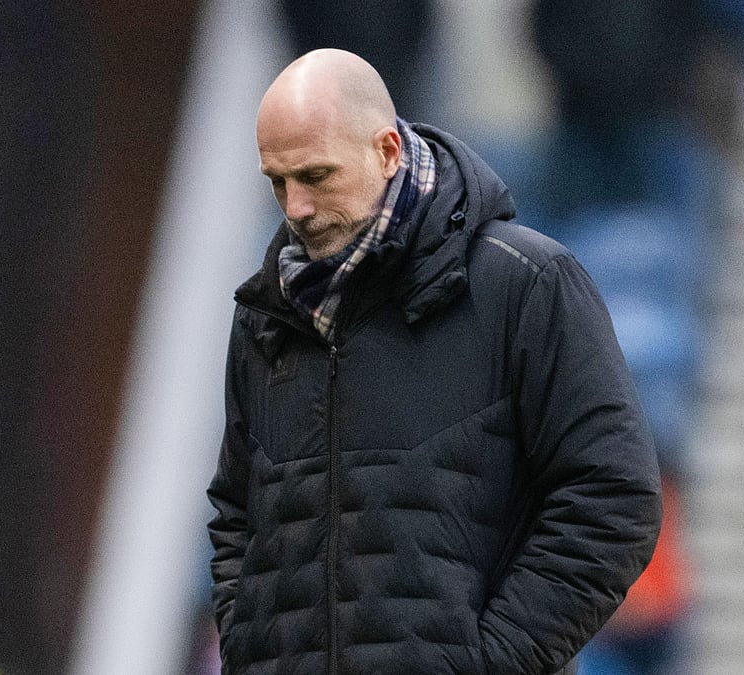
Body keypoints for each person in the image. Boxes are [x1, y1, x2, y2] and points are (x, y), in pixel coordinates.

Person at [206, 49, 662, 674]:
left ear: (388, 151)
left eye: (315, 176)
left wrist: (487, 664)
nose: (295, 207)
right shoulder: (266, 313)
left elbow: (614, 501)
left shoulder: (525, 283)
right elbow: (237, 515)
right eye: (277, 182)